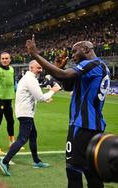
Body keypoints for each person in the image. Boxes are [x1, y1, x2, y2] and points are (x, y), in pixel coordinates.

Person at [26, 37, 110, 188]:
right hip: (94, 125)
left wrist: (35, 55)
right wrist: (60, 69)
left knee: (73, 171)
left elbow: (64, 76)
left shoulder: (91, 64)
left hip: (82, 124)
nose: (72, 55)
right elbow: (69, 86)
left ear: (85, 49)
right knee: (91, 171)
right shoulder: (100, 66)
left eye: (74, 51)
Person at [0, 60, 60, 176]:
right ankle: (4, 161)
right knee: (22, 138)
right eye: (38, 68)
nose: (40, 70)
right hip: (26, 113)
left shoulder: (28, 78)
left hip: (25, 112)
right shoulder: (30, 79)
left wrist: (45, 98)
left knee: (33, 135)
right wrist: (52, 91)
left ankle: (36, 161)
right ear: (31, 68)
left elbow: (32, 96)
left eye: (41, 68)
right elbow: (40, 97)